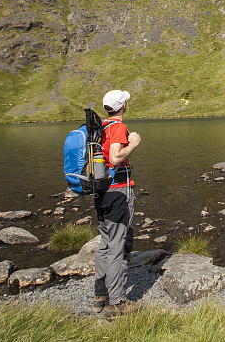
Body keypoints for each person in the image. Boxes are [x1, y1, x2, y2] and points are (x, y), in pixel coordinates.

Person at [93, 89, 141, 317]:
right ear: (123, 107)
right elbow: (114, 157)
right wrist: (133, 144)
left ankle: (100, 296)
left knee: (105, 242)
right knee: (117, 245)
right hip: (119, 192)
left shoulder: (101, 127)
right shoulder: (119, 127)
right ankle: (117, 302)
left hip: (102, 192)